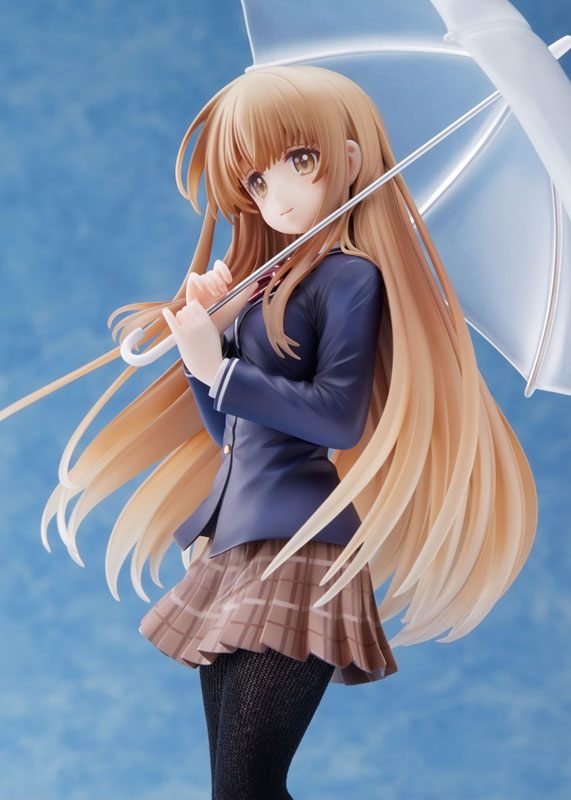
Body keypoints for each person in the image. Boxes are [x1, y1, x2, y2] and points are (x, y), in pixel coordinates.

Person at [4, 65, 537, 799]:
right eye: (255, 180)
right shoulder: (271, 282)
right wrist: (207, 350)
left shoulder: (351, 278)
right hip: (235, 543)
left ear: (349, 159)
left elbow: (337, 416)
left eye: (299, 160)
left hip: (299, 544)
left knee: (247, 785)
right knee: (233, 787)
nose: (276, 194)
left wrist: (219, 368)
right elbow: (229, 431)